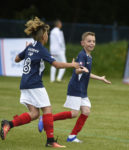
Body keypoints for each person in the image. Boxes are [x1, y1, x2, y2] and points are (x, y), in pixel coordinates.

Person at [0, 17, 79, 148]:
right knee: (47, 109)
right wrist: (72, 64)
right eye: (47, 34)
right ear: (43, 36)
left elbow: (16, 59)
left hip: (24, 84)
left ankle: (8, 124)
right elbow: (57, 65)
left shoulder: (30, 47)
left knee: (35, 114)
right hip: (34, 84)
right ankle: (50, 141)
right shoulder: (41, 49)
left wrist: (27, 52)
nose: (47, 36)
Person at [38, 32, 111, 143]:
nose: (92, 43)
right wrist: (82, 69)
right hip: (75, 88)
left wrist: (100, 78)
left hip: (82, 90)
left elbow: (86, 73)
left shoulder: (89, 57)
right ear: (83, 43)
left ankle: (72, 136)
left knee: (86, 111)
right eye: (89, 41)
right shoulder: (81, 55)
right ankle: (46, 119)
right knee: (74, 113)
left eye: (93, 41)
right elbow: (77, 70)